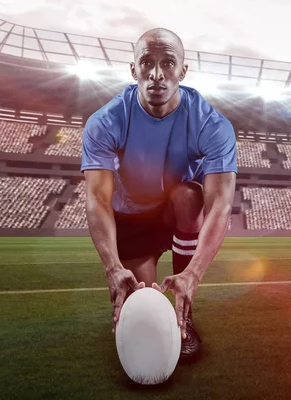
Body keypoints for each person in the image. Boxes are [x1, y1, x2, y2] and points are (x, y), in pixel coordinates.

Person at [81, 28, 237, 361]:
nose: (156, 73)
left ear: (183, 70)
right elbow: (96, 199)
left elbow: (220, 206)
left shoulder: (212, 125)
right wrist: (112, 268)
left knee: (189, 196)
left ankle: (186, 313)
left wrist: (193, 274)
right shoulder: (105, 122)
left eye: (168, 63)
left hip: (175, 211)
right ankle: (147, 292)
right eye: (147, 62)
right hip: (132, 218)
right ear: (133, 69)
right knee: (145, 305)